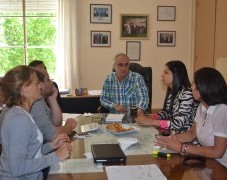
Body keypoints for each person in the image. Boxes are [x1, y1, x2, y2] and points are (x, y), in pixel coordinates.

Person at [0, 65, 72, 179]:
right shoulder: (19, 120)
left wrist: (51, 145)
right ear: (24, 88)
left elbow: (31, 154)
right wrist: (56, 156)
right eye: (36, 83)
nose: (40, 87)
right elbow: (17, 168)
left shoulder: (22, 114)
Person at [156, 67, 227, 167]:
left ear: (203, 87)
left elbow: (217, 152)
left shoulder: (222, 110)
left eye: (194, 84)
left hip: (221, 167)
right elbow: (191, 134)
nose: (191, 87)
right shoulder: (202, 106)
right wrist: (168, 140)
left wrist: (182, 148)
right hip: (208, 162)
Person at [137, 60, 198, 133]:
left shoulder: (187, 93)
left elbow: (178, 123)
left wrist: (152, 122)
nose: (162, 75)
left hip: (185, 136)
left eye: (166, 72)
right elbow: (167, 113)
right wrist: (153, 117)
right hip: (173, 133)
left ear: (176, 75)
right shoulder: (172, 93)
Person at [31, 70, 77, 142]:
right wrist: (70, 126)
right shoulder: (36, 103)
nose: (52, 83)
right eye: (48, 79)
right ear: (40, 84)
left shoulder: (41, 100)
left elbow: (56, 124)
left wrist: (53, 100)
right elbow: (52, 135)